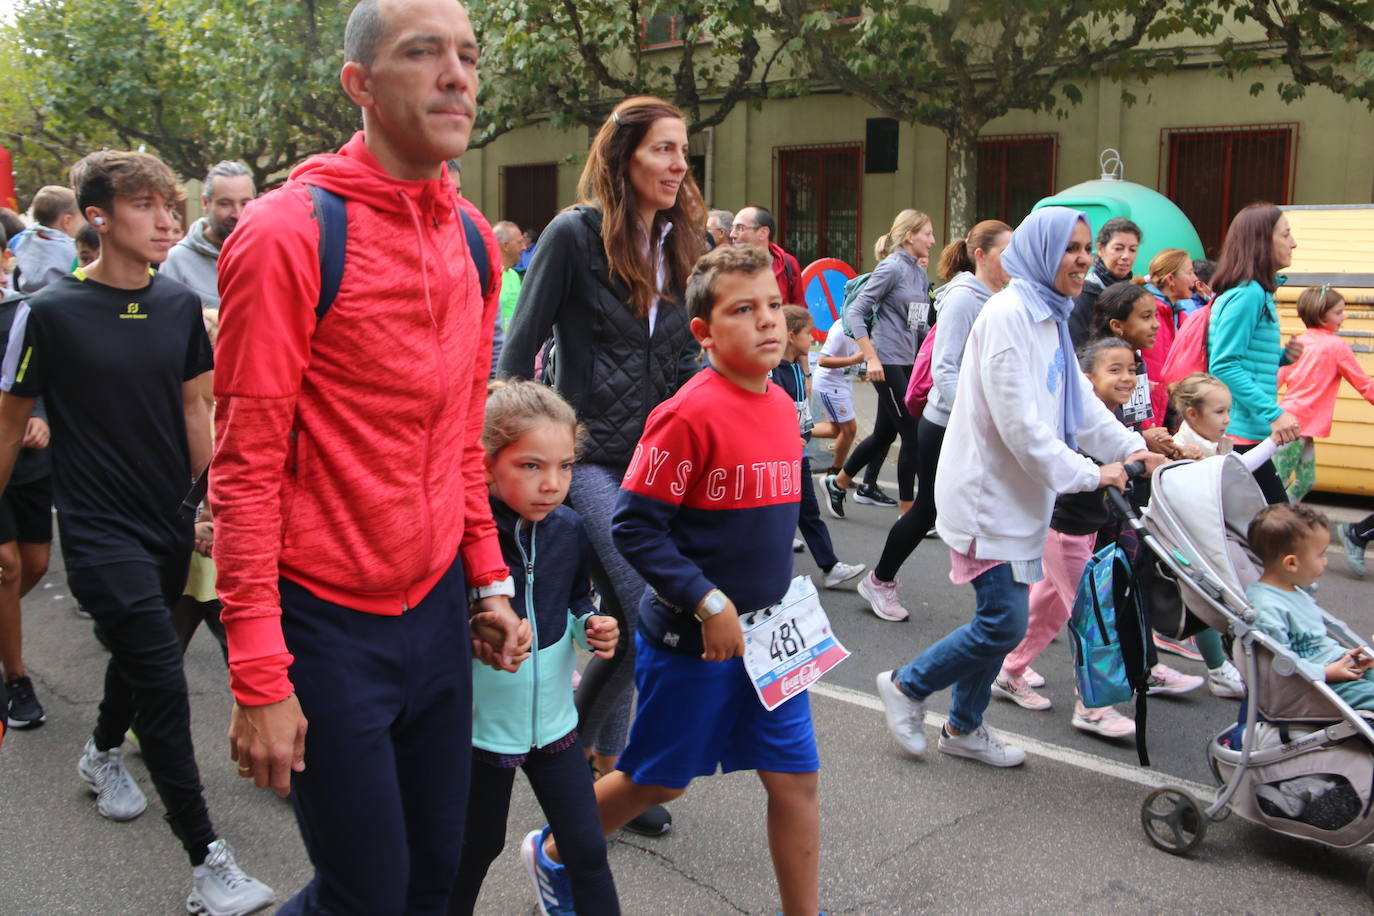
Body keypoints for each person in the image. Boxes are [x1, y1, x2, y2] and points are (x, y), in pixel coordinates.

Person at [212, 2, 530, 912]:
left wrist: (487, 583)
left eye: (467, 54)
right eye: (421, 53)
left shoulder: (471, 236)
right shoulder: (286, 234)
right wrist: (260, 675)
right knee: (366, 893)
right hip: (325, 623)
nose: (456, 74)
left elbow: (461, 443)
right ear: (360, 84)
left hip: (433, 613)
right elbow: (244, 471)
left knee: (439, 877)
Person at [0, 149, 273, 915]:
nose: (166, 222)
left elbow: (197, 410)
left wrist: (211, 503)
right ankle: (206, 862)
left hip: (170, 523)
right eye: (146, 207)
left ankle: (97, 755)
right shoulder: (46, 313)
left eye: (169, 208)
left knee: (142, 653)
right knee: (161, 671)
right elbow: (9, 423)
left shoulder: (179, 307)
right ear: (98, 217)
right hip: (96, 530)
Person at [528, 242, 823, 916]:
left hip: (774, 641)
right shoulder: (686, 414)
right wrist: (706, 598)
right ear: (704, 332)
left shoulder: (782, 402)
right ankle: (551, 851)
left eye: (773, 305)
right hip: (695, 643)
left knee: (796, 780)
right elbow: (634, 528)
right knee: (656, 782)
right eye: (743, 310)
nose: (769, 322)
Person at [872, 207, 1160, 769]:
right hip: (986, 498)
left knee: (1000, 622)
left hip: (1022, 500)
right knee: (1005, 620)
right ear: (1038, 253)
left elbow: (1075, 400)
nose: (1081, 259)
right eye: (1070, 248)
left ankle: (963, 726)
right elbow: (1021, 428)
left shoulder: (1050, 314)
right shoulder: (1007, 316)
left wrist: (1128, 447)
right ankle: (907, 686)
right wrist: (1090, 473)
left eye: (1085, 248)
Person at [499, 95, 706, 838]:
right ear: (622, 159)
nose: (678, 165)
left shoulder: (686, 241)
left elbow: (687, 355)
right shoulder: (573, 234)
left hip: (659, 461)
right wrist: (503, 452)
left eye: (683, 151)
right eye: (662, 150)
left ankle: (598, 767)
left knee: (625, 621)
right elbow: (518, 349)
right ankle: (593, 766)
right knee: (650, 601)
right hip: (584, 455)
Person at [451, 381, 621, 915]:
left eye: (565, 466)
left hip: (555, 727)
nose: (552, 484)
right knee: (474, 850)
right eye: (531, 466)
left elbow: (576, 599)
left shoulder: (570, 528)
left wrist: (592, 625)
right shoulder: (462, 535)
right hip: (481, 732)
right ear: (484, 464)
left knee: (587, 849)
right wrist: (474, 630)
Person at [856, 220, 1011, 622]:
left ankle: (1008, 609)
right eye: (1004, 252)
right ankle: (880, 580)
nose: (1012, 260)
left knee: (981, 507)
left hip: (978, 423)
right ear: (980, 255)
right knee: (928, 509)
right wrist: (978, 417)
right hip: (946, 422)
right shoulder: (964, 299)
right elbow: (944, 370)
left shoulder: (1001, 297)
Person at [992, 338, 1142, 737]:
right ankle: (1093, 706)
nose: (1127, 377)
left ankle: (1009, 669)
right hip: (1064, 528)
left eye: (1131, 368)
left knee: (1051, 606)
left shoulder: (1115, 418)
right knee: (1093, 614)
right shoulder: (1071, 420)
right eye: (1115, 370)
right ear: (1085, 381)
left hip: (1083, 528)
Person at [824, 209, 934, 516]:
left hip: (908, 361)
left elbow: (918, 323)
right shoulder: (891, 269)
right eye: (927, 233)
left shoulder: (919, 272)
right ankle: (907, 511)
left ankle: (839, 482)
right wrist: (870, 357)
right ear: (910, 235)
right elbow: (857, 311)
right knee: (912, 433)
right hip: (885, 361)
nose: (932, 240)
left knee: (886, 434)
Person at [1206, 202, 1303, 504]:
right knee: (1279, 527)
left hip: (1244, 430)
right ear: (1261, 241)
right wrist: (1274, 413)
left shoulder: (1255, 293)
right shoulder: (1249, 295)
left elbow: (1243, 357)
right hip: (1239, 432)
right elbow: (1223, 364)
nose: (1294, 243)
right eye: (1286, 235)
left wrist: (1281, 357)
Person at [772, 305, 865, 590]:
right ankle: (772, 577)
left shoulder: (796, 370)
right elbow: (770, 415)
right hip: (781, 458)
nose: (812, 338)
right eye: (806, 334)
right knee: (778, 516)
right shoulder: (774, 371)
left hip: (798, 455)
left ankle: (830, 566)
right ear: (790, 336)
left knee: (808, 512)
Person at [1247, 503, 1374, 706]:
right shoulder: (1266, 608)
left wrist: (1342, 655)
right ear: (1291, 563)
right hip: (1316, 683)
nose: (1325, 561)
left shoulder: (1292, 589)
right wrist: (1326, 672)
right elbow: (1278, 664)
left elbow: (1316, 642)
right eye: (1321, 555)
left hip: (1336, 663)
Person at [1274, 286, 1374, 502]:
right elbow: (1364, 384)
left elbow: (1276, 379)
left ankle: (1282, 520)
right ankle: (1266, 526)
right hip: (1295, 426)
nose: (1343, 317)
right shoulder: (1337, 346)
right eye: (1338, 312)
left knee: (1301, 480)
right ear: (1320, 314)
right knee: (1282, 482)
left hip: (1294, 422)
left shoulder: (1299, 342)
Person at [160, 161, 255, 308]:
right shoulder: (177, 260)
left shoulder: (266, 254)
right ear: (205, 203)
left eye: (245, 203)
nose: (237, 214)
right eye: (225, 203)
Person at [1134, 248, 1196, 423]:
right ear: (1170, 279)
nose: (1194, 279)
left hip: (1168, 407)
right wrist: (1142, 425)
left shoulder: (1180, 316)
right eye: (1189, 272)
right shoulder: (1146, 311)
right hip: (1145, 411)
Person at [1067, 217, 1141, 349]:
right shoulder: (1083, 294)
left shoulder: (1133, 295)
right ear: (1100, 249)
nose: (1126, 256)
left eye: (1132, 250)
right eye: (1118, 248)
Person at [809, 318, 864, 481]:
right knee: (849, 430)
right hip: (830, 384)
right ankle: (836, 474)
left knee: (839, 431)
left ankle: (792, 430)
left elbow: (859, 353)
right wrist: (854, 361)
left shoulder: (863, 323)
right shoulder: (841, 329)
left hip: (843, 383)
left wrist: (861, 371)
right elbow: (823, 360)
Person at [730, 205, 803, 304]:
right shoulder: (726, 267)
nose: (732, 235)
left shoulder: (787, 264)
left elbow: (799, 309)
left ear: (763, 233)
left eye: (739, 228)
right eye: (732, 228)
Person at [491, 219, 525, 329]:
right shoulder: (489, 276)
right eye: (519, 243)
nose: (524, 247)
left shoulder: (514, 275)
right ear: (506, 246)